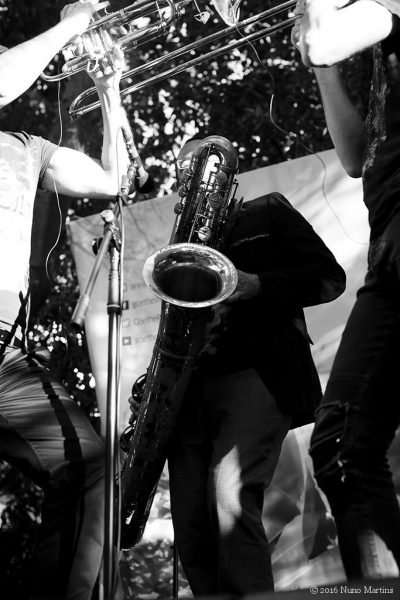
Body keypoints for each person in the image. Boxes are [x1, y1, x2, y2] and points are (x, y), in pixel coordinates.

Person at [164, 136, 346, 595]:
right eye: (182, 172)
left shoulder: (267, 212)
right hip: (188, 388)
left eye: (198, 169)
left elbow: (330, 278)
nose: (188, 178)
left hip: (256, 372)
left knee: (229, 496)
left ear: (224, 178)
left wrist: (257, 284)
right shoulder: (180, 246)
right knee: (190, 526)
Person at [0, 2, 129, 599]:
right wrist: (75, 22)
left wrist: (109, 90)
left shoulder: (25, 148)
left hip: (6, 357)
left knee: (91, 464)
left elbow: (112, 181)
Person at [292, 0, 400, 581]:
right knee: (342, 445)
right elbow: (358, 158)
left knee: (343, 443)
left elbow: (326, 38)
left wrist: (319, 30)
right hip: (387, 240)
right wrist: (324, 69)